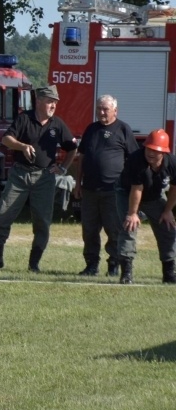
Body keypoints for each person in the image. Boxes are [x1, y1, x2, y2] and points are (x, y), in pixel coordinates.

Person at [0, 85, 78, 272]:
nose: (53, 106)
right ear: (39, 101)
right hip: (20, 175)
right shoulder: (24, 118)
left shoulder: (57, 124)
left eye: (55, 102)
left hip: (45, 177)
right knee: (2, 215)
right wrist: (22, 146)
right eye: (49, 101)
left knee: (42, 221)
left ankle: (34, 264)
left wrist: (63, 167)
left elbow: (72, 148)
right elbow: (6, 140)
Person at [73, 95, 138, 277]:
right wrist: (78, 183)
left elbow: (133, 160)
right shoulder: (91, 129)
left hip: (113, 191)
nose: (101, 112)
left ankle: (114, 264)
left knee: (114, 229)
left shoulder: (123, 129)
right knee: (90, 230)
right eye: (99, 108)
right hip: (90, 190)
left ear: (115, 111)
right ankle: (91, 265)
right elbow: (82, 157)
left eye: (105, 109)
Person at [116, 129, 176, 284]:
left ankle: (169, 273)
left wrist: (168, 211)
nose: (150, 152)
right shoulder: (136, 160)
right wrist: (132, 213)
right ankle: (126, 273)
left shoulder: (172, 163)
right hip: (127, 193)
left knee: (168, 227)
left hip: (154, 196)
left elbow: (175, 188)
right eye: (148, 148)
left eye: (155, 150)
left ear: (163, 152)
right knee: (129, 227)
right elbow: (137, 189)